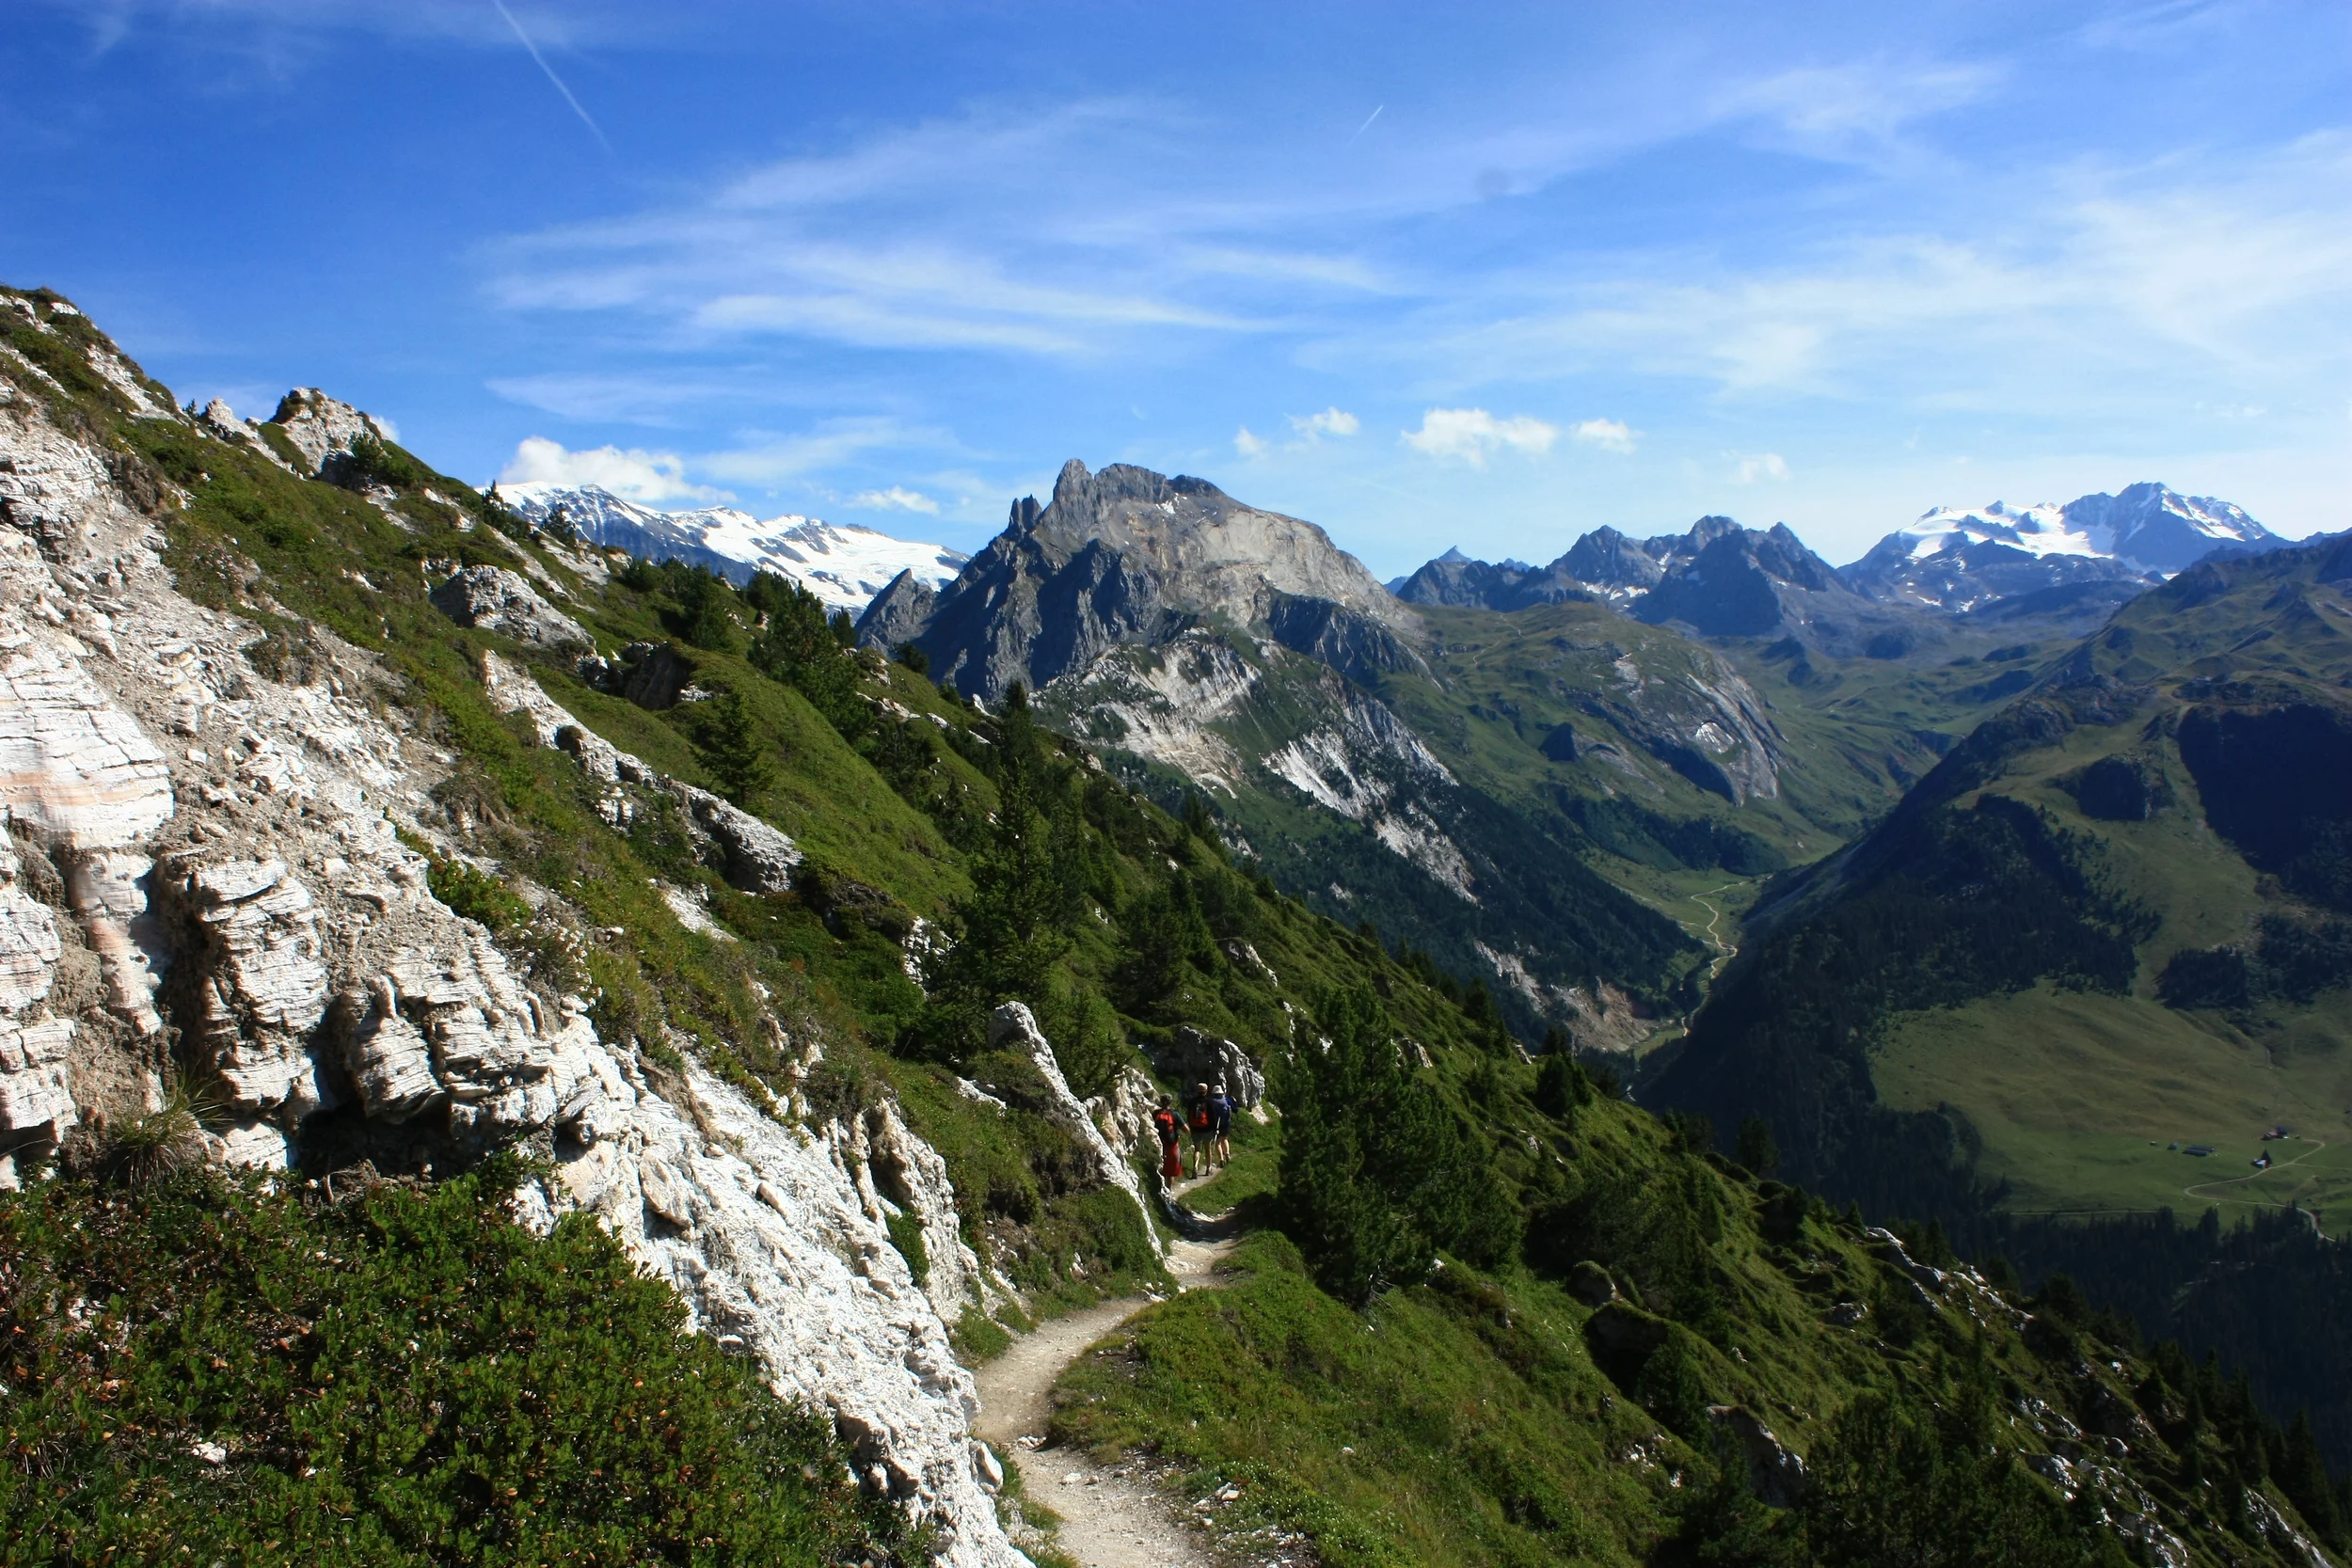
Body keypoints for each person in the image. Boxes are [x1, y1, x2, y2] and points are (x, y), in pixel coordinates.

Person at [1152, 1096, 1184, 1184]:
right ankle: (1168, 1189)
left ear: (1161, 1101)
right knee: (1171, 1171)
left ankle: (1160, 1184)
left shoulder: (1156, 1113)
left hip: (1158, 1142)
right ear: (1170, 1102)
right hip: (1171, 1145)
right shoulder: (1175, 1114)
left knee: (1161, 1165)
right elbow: (1186, 1129)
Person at [1188, 1082, 1215, 1177]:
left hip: (1195, 1129)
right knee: (1208, 1149)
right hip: (1207, 1129)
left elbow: (1189, 1115)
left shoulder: (1193, 1101)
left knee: (1197, 1149)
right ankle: (1208, 1169)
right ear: (1206, 1090)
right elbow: (1213, 1116)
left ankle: (1195, 1167)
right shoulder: (1209, 1101)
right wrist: (1214, 1128)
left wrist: (1191, 1127)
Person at [1209, 1081, 1233, 1168]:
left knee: (1218, 1143)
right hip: (1226, 1124)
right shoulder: (1226, 1100)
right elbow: (1234, 1109)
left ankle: (1221, 1159)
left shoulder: (1212, 1101)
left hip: (1216, 1125)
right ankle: (1227, 1153)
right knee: (1225, 1139)